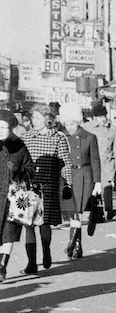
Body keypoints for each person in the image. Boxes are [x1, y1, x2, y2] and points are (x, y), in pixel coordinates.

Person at [21, 103, 71, 273]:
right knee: (28, 224)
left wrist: (68, 184)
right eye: (32, 117)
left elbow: (65, 163)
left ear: (47, 119)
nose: (33, 121)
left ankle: (46, 250)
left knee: (45, 223)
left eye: (37, 117)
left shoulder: (58, 138)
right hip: (28, 187)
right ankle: (31, 263)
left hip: (49, 186)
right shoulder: (26, 137)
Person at [59, 102, 102, 260]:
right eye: (67, 123)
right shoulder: (60, 137)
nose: (69, 127)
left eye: (72, 123)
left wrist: (98, 182)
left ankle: (73, 244)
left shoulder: (90, 137)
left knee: (78, 211)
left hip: (85, 176)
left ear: (78, 122)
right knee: (73, 212)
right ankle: (76, 245)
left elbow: (95, 161)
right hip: (67, 177)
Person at [0, 110, 33, 282]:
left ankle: (2, 266)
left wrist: (18, 170)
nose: (0, 130)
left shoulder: (19, 146)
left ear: (11, 128)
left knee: (8, 233)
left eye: (4, 127)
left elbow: (30, 170)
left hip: (12, 198)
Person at [83, 104, 116, 220]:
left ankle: (109, 209)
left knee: (107, 186)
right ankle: (95, 211)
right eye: (99, 117)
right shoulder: (87, 127)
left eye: (104, 116)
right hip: (93, 162)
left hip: (107, 162)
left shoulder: (112, 128)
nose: (102, 119)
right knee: (94, 186)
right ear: (94, 118)